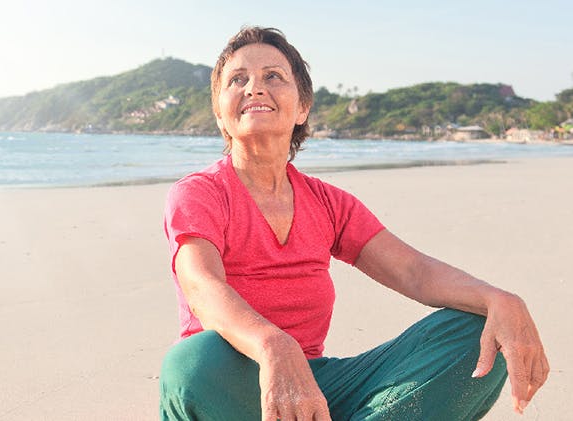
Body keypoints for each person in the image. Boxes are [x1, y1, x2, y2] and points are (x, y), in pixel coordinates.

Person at [160, 26, 548, 420]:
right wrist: (274, 345)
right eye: (238, 79)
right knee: (191, 362)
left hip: (319, 388)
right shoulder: (200, 193)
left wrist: (501, 300)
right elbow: (202, 287)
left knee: (480, 334)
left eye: (273, 76)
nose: (255, 88)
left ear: (302, 108)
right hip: (229, 390)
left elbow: (414, 271)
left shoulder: (328, 204)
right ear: (220, 114)